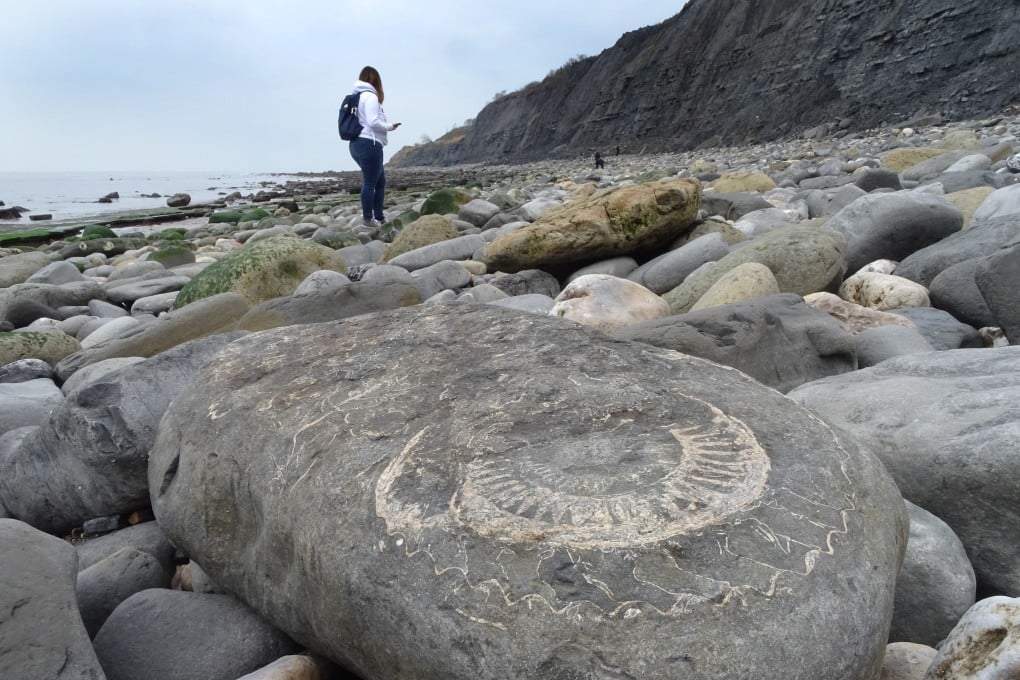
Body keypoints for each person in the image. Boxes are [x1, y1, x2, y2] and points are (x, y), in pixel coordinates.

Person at [347, 66, 401, 226]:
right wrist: (390, 126)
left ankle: (379, 217)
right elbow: (372, 121)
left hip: (356, 144)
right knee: (371, 182)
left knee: (379, 182)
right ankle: (368, 219)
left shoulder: (356, 97)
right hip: (369, 144)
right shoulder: (370, 97)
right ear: (376, 81)